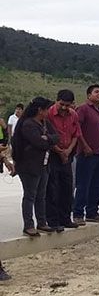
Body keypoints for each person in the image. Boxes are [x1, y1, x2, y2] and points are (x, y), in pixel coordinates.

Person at [11, 97, 59, 237]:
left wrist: (47, 138)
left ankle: (42, 222)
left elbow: (56, 137)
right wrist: (47, 139)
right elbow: (39, 143)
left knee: (41, 196)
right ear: (40, 110)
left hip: (43, 164)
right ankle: (28, 225)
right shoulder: (28, 124)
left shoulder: (44, 123)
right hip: (29, 166)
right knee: (30, 195)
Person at [73, 84, 99, 226]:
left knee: (97, 185)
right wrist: (84, 146)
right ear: (89, 95)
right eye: (96, 92)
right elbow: (77, 129)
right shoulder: (83, 109)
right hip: (87, 154)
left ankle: (92, 212)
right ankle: (77, 214)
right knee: (83, 184)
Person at [46, 90, 81, 231]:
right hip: (54, 154)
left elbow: (76, 135)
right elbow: (46, 135)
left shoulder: (73, 115)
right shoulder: (48, 114)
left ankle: (66, 218)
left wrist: (68, 151)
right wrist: (59, 151)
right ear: (56, 101)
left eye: (67, 105)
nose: (64, 108)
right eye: (62, 104)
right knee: (53, 189)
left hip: (68, 154)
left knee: (67, 188)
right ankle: (53, 221)